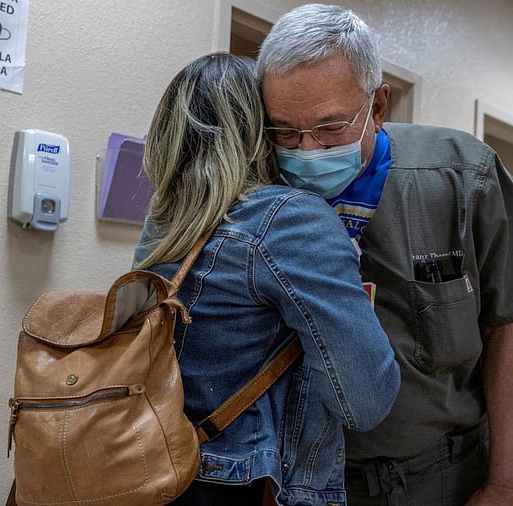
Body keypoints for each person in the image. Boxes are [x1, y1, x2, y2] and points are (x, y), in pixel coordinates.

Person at [257, 4, 513, 505]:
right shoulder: (260, 192)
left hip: (439, 476)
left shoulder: (459, 178)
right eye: (286, 132)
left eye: (331, 127)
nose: (308, 151)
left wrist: (509, 485)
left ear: (378, 106)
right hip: (296, 477)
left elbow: (510, 328)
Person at [133, 52, 401, 506]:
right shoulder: (288, 219)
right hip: (250, 486)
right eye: (284, 127)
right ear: (260, 131)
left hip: (161, 468)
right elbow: (366, 401)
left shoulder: (162, 223)